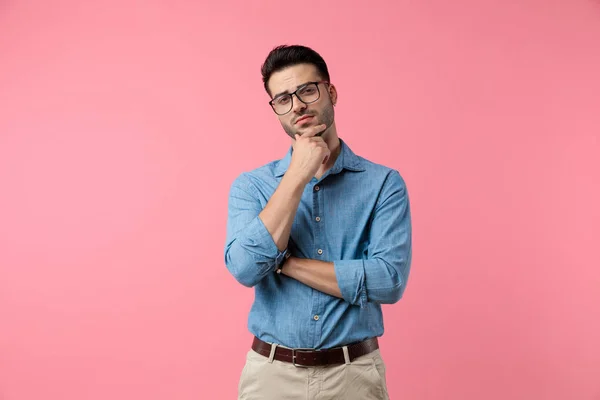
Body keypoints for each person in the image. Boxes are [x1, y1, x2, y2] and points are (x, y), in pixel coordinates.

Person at [224, 44, 412, 400]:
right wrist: (297, 176)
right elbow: (246, 268)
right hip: (271, 377)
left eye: (307, 90)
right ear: (276, 110)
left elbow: (388, 280)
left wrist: (287, 263)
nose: (297, 105)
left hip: (354, 376)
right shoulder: (251, 186)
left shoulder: (383, 183)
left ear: (331, 92)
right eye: (283, 99)